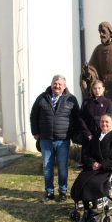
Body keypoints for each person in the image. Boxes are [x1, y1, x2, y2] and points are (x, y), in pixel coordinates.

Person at [30, 74, 79, 202]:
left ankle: (62, 192)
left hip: (63, 140)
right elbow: (33, 115)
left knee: (62, 167)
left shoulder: (71, 100)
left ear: (64, 86)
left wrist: (74, 135)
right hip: (46, 139)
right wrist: (35, 131)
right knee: (47, 166)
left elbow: (77, 119)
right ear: (51, 85)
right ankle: (49, 192)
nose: (57, 86)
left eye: (59, 84)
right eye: (55, 84)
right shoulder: (42, 98)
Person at [71, 114, 112, 222]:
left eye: (107, 122)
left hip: (109, 169)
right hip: (94, 168)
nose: (104, 124)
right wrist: (92, 163)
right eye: (102, 122)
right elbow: (87, 154)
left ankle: (94, 210)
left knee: (93, 183)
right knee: (81, 181)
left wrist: (102, 164)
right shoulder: (95, 136)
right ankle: (87, 210)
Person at [80, 21, 112, 136]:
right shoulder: (98, 49)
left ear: (110, 33)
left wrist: (107, 80)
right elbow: (93, 69)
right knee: (102, 125)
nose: (101, 35)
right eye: (100, 32)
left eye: (104, 32)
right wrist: (88, 73)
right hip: (102, 95)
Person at [79, 80, 112, 161]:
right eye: (95, 88)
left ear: (103, 89)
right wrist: (88, 134)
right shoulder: (86, 102)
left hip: (102, 134)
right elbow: (81, 119)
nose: (97, 90)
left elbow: (109, 118)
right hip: (88, 135)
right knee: (88, 160)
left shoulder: (107, 102)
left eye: (99, 88)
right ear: (92, 89)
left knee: (100, 158)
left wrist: (104, 133)